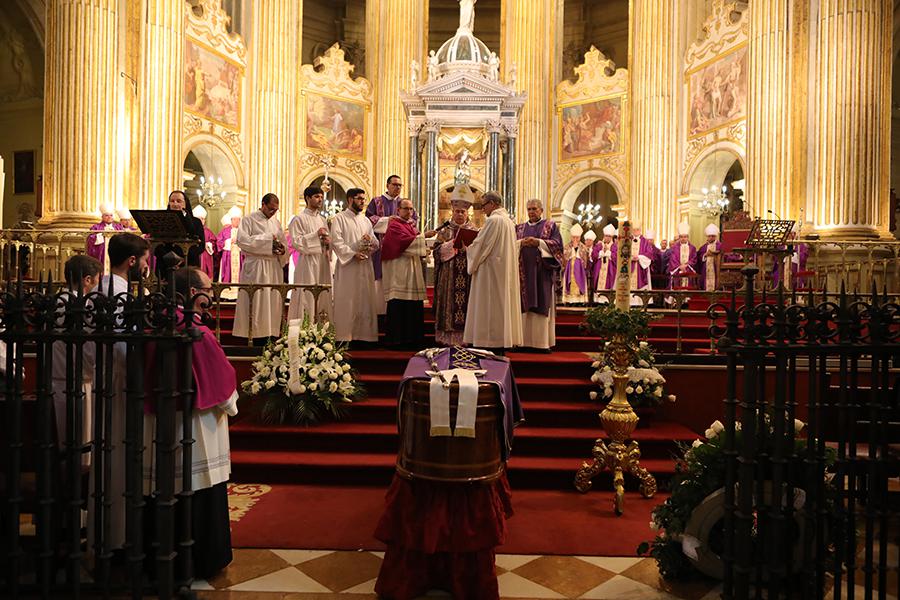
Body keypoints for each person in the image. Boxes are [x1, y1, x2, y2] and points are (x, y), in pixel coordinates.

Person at [143, 267, 237, 579]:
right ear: (193, 294)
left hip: (158, 423)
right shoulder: (197, 331)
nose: (211, 294)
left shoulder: (153, 324)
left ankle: (159, 558)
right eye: (208, 289)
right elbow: (222, 383)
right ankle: (202, 559)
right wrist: (231, 404)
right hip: (198, 426)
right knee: (199, 488)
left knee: (164, 489)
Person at [97, 232, 152, 551]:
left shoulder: (98, 290)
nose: (146, 267)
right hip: (118, 381)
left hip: (102, 379)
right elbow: (121, 346)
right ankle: (117, 536)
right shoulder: (119, 295)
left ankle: (110, 531)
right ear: (132, 262)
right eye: (144, 261)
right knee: (117, 457)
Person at [52, 255, 102, 456]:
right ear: (87, 280)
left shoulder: (55, 300)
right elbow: (90, 348)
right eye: (97, 278)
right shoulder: (84, 304)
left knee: (62, 438)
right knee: (82, 446)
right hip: (81, 378)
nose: (98, 283)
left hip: (56, 377)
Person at [464, 191, 522, 353]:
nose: (483, 210)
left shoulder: (494, 220)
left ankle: (487, 341)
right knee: (500, 306)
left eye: (483, 206)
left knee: (489, 306)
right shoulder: (509, 222)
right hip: (503, 272)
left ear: (492, 204)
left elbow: (481, 246)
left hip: (489, 273)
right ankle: (500, 339)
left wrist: (467, 249)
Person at [233, 194, 289, 343]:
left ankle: (271, 334)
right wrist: (268, 241)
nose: (273, 213)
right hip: (256, 266)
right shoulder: (249, 219)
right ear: (263, 204)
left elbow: (284, 244)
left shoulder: (276, 223)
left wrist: (282, 250)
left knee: (272, 302)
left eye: (276, 210)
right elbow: (243, 241)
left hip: (273, 266)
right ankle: (255, 335)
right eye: (271, 209)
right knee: (257, 301)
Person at [428, 187, 478, 346]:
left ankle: (466, 338)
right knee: (449, 305)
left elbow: (479, 251)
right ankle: (447, 338)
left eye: (463, 211)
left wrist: (468, 248)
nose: (460, 214)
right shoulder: (444, 231)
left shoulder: (475, 231)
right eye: (457, 211)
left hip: (467, 275)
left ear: (467, 213)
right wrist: (452, 246)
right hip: (448, 277)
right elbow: (435, 252)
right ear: (452, 212)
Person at [331, 188, 380, 344]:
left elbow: (376, 243)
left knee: (365, 300)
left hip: (365, 265)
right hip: (348, 267)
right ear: (350, 199)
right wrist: (353, 254)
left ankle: (365, 337)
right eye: (359, 199)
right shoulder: (339, 218)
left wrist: (370, 242)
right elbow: (336, 242)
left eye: (364, 199)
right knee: (348, 299)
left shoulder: (366, 221)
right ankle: (345, 336)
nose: (362, 202)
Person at [517, 199, 563, 351]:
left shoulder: (550, 226)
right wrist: (521, 244)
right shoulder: (519, 228)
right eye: (529, 209)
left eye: (534, 209)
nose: (531, 212)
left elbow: (558, 246)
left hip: (542, 273)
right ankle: (521, 342)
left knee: (541, 303)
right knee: (523, 305)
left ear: (541, 210)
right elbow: (511, 245)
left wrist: (539, 243)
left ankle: (541, 343)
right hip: (522, 274)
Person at [380, 198, 427, 348]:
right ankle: (397, 340)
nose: (409, 212)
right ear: (398, 210)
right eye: (406, 208)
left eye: (411, 209)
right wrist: (423, 237)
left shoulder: (410, 226)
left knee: (412, 305)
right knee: (400, 304)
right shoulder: (395, 225)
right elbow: (402, 243)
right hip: (399, 272)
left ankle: (413, 339)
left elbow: (414, 242)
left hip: (411, 271)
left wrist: (422, 241)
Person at [366, 175, 417, 315]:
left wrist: (401, 221)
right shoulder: (376, 202)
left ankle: (395, 314)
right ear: (387, 185)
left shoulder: (405, 203)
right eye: (395, 184)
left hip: (400, 252)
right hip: (380, 249)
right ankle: (379, 313)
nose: (398, 187)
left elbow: (414, 221)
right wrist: (387, 220)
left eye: (400, 185)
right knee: (380, 282)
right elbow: (368, 220)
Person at [287, 186, 332, 323]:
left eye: (321, 197)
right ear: (307, 198)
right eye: (317, 197)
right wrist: (315, 235)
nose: (320, 200)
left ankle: (321, 329)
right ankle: (304, 328)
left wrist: (327, 242)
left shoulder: (322, 219)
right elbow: (296, 242)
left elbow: (326, 241)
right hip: (307, 262)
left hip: (322, 262)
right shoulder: (298, 219)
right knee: (307, 294)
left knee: (322, 294)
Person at [154, 190, 206, 272]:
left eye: (179, 201)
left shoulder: (196, 222)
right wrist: (170, 259)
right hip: (165, 266)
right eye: (172, 201)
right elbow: (156, 244)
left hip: (189, 265)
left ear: (185, 203)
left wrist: (182, 259)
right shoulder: (161, 221)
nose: (175, 204)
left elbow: (201, 245)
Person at [610, 222, 654, 293]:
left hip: (640, 267)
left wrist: (639, 257)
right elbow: (621, 251)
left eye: (637, 229)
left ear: (640, 230)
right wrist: (628, 257)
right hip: (627, 265)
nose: (635, 231)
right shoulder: (626, 240)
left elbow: (649, 254)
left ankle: (639, 302)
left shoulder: (645, 242)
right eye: (634, 230)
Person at [86, 202, 124, 273]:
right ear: (102, 217)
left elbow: (123, 238)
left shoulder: (119, 227)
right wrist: (102, 235)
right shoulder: (96, 227)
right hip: (102, 252)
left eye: (111, 215)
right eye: (106, 215)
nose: (109, 217)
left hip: (115, 251)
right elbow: (91, 238)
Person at [562, 224, 588, 304]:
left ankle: (580, 301)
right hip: (569, 269)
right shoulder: (567, 246)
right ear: (571, 237)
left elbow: (585, 258)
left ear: (580, 237)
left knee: (579, 283)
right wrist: (572, 250)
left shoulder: (583, 247)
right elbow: (564, 257)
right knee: (569, 283)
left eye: (577, 237)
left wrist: (577, 251)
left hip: (580, 270)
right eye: (574, 237)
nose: (575, 239)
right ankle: (569, 301)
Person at [217, 206, 243, 284]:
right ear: (231, 220)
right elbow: (219, 242)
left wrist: (240, 241)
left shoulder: (243, 231)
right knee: (228, 272)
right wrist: (229, 241)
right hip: (228, 256)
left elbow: (248, 242)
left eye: (238, 219)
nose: (236, 221)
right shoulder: (224, 231)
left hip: (240, 255)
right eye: (234, 219)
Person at [668, 222, 697, 289]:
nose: (683, 238)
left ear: (688, 237)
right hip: (677, 269)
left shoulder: (692, 248)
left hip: (688, 269)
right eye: (681, 237)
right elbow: (673, 259)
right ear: (679, 237)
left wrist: (686, 265)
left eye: (685, 237)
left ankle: (687, 298)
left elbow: (694, 258)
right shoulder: (674, 247)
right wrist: (679, 266)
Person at [193, 204, 218, 281]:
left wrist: (209, 244)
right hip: (196, 254)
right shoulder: (192, 231)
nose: (201, 221)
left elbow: (214, 242)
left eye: (203, 219)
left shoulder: (208, 231)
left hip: (206, 254)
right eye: (199, 219)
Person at [592, 223, 616, 297]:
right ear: (604, 236)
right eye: (606, 236)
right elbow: (593, 255)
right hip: (599, 269)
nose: (607, 238)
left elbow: (617, 257)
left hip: (610, 270)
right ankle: (598, 300)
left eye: (609, 236)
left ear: (611, 237)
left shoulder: (615, 246)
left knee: (609, 282)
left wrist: (609, 254)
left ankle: (608, 299)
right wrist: (601, 253)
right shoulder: (599, 245)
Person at [697, 223, 722, 291]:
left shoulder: (720, 246)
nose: (711, 237)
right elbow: (699, 256)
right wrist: (705, 255)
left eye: (712, 236)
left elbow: (724, 255)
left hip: (716, 268)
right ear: (707, 237)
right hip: (706, 269)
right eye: (709, 236)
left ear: (715, 236)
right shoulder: (703, 247)